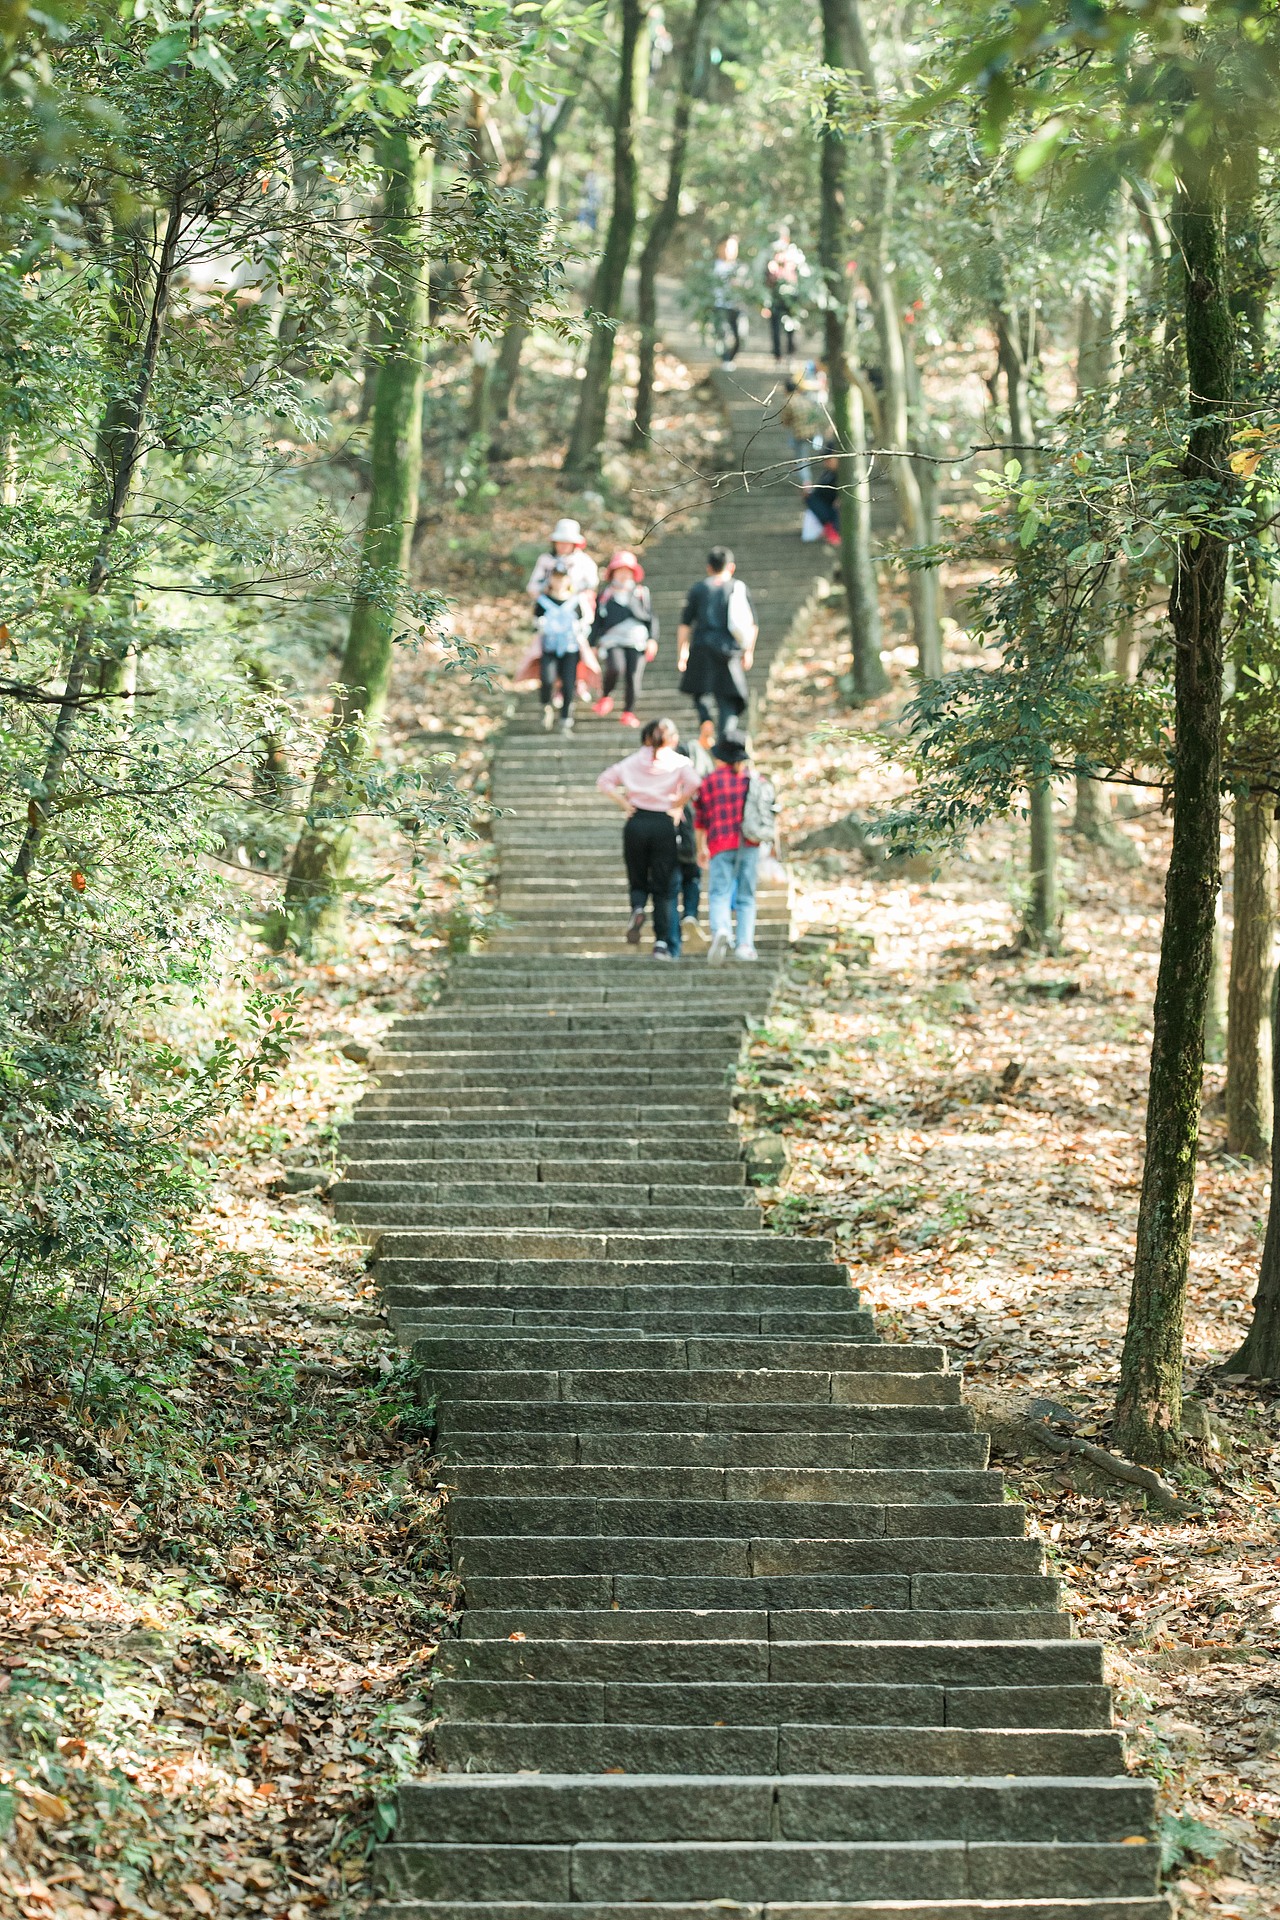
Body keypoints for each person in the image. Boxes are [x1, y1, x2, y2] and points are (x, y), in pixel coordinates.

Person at [597, 717, 701, 961]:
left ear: (645, 737)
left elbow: (603, 781)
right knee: (664, 889)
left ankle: (638, 907)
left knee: (637, 877)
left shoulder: (633, 761)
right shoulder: (677, 761)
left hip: (636, 823)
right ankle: (662, 944)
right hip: (664, 823)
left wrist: (625, 803)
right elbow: (695, 782)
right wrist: (679, 802)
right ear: (669, 739)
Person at [693, 730, 775, 964]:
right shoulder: (754, 780)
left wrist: (701, 847)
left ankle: (721, 930)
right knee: (746, 896)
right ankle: (745, 945)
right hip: (748, 843)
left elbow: (701, 819)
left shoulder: (709, 782)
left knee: (719, 892)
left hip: (719, 844)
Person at [677, 546, 757, 734]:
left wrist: (682, 652)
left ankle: (705, 719)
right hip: (728, 650)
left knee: (700, 690)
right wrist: (749, 651)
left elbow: (685, 624)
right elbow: (752, 623)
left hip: (701, 646)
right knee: (729, 697)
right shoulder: (738, 588)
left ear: (709, 568)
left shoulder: (699, 589)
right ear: (731, 567)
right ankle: (726, 734)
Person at [590, 550, 657, 727]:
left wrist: (652, 640)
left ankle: (628, 711)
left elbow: (651, 618)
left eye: (627, 571)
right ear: (613, 573)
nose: (623, 574)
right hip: (612, 640)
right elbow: (597, 621)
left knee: (633, 676)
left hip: (637, 639)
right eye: (620, 570)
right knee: (615, 668)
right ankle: (606, 696)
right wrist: (592, 643)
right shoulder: (606, 595)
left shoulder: (641, 593)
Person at [534, 560, 597, 733]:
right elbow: (535, 621)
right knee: (547, 679)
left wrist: (580, 630)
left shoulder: (576, 601)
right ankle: (546, 706)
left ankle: (565, 720)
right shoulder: (543, 600)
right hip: (550, 647)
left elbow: (587, 621)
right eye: (556, 577)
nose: (559, 581)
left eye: (562, 578)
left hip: (570, 648)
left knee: (569, 684)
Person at [526, 518, 599, 601]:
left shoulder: (584, 561)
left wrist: (572, 588)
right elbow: (532, 586)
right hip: (549, 602)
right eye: (560, 542)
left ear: (574, 544)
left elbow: (592, 583)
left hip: (575, 603)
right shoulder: (545, 560)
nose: (563, 546)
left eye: (567, 542)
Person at [763, 229, 807, 364]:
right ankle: (777, 356)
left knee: (791, 327)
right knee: (775, 328)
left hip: (791, 297)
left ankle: (790, 354)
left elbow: (802, 276)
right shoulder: (770, 256)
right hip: (775, 297)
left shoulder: (795, 255)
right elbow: (765, 279)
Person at [712, 234, 746, 364]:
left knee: (741, 336)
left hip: (736, 306)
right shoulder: (712, 267)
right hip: (719, 305)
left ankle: (730, 358)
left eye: (733, 247)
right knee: (723, 333)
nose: (729, 250)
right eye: (726, 247)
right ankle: (725, 360)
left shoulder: (740, 268)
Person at [801, 446, 842, 546]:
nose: (826, 463)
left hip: (834, 507)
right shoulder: (828, 474)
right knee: (811, 499)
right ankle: (828, 528)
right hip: (824, 504)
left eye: (828, 460)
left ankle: (833, 529)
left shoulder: (841, 475)